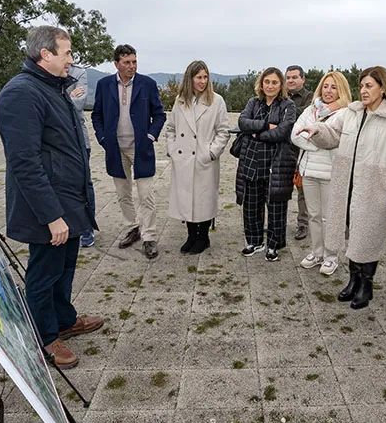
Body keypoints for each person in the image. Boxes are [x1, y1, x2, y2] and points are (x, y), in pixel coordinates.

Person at [0, 25, 103, 369]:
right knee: (44, 273)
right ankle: (44, 336)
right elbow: (24, 163)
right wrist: (51, 215)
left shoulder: (53, 88)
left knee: (65, 267)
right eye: (67, 53)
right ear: (46, 54)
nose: (71, 59)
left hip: (69, 201)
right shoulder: (21, 94)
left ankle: (64, 320)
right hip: (49, 209)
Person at [297, 66, 386, 309]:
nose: (363, 90)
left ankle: (366, 285)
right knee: (351, 233)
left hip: (374, 189)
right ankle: (353, 280)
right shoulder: (351, 113)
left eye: (369, 86)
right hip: (347, 185)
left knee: (367, 237)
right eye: (361, 86)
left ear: (383, 89)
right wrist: (316, 130)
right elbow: (331, 135)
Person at [91, 44, 166, 259]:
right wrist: (103, 138)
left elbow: (159, 115)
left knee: (146, 196)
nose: (131, 66)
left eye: (134, 61)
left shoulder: (147, 84)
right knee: (123, 195)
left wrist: (150, 136)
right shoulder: (104, 85)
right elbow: (97, 115)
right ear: (116, 64)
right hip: (115, 149)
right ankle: (133, 228)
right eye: (127, 62)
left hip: (141, 149)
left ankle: (149, 236)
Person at [166, 60, 231, 253]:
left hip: (204, 159)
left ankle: (203, 237)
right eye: (198, 77)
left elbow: (223, 131)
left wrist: (211, 152)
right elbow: (171, 128)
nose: (202, 81)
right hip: (183, 158)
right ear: (190, 78)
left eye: (205, 77)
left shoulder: (216, 101)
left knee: (203, 200)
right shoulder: (180, 100)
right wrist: (172, 148)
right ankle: (191, 236)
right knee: (186, 199)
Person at [290, 71, 350, 275]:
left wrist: (313, 141)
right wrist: (318, 146)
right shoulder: (310, 109)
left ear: (341, 90)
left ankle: (331, 256)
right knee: (314, 216)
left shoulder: (345, 113)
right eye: (326, 86)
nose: (329, 91)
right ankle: (316, 252)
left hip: (331, 174)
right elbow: (295, 135)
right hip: (309, 171)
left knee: (329, 217)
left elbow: (338, 140)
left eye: (334, 87)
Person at [235, 67, 297, 262]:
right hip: (252, 162)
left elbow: (282, 132)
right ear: (261, 84)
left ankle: (273, 245)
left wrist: (256, 134)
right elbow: (243, 122)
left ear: (281, 86)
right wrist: (264, 126)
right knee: (251, 206)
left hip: (276, 164)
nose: (270, 86)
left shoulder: (288, 105)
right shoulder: (253, 103)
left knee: (276, 207)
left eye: (274, 82)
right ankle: (254, 241)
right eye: (267, 82)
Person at [66, 64, 96, 248]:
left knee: (84, 184)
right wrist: (68, 96)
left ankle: (87, 230)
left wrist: (52, 99)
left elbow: (79, 102)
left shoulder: (79, 73)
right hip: (55, 142)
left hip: (79, 141)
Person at [286, 65, 313, 240]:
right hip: (283, 149)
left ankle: (303, 225)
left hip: (302, 150)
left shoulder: (311, 98)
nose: (291, 81)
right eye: (288, 78)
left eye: (294, 77)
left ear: (303, 79)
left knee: (303, 190)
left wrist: (286, 105)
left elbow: (304, 117)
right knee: (278, 189)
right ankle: (277, 222)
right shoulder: (281, 96)